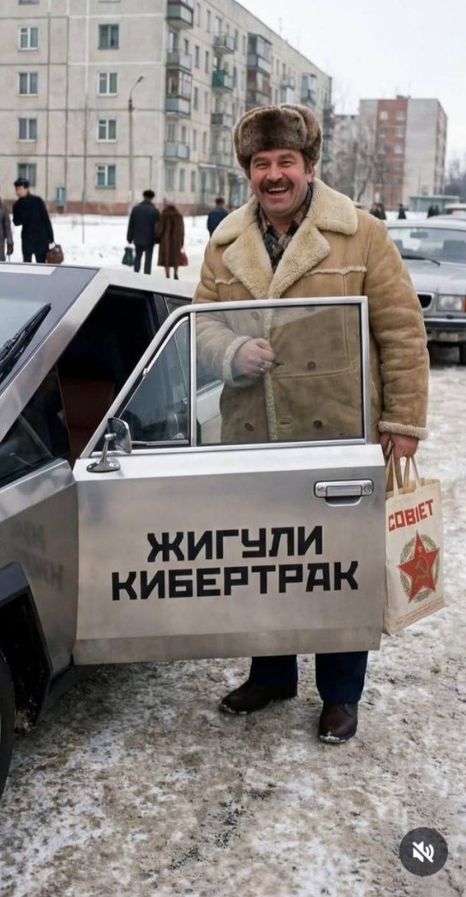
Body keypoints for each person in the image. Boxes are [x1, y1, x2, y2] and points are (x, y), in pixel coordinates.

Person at [194, 103, 429, 744]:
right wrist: (230, 352)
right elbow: (201, 325)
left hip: (339, 432)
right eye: (261, 163)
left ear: (308, 165)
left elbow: (402, 331)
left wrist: (403, 421)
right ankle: (271, 674)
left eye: (286, 161)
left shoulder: (360, 233)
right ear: (248, 170)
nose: (274, 174)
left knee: (338, 564)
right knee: (266, 558)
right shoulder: (224, 244)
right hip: (255, 434)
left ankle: (340, 694)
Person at [12, 177, 54, 263]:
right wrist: (22, 213)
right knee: (27, 264)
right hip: (27, 238)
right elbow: (16, 222)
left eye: (20, 189)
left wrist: (50, 236)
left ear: (27, 188)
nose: (18, 191)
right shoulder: (17, 205)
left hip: (41, 238)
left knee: (41, 264)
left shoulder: (37, 201)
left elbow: (45, 219)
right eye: (16, 189)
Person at [126, 189, 160, 274]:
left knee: (138, 257)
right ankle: (146, 276)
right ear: (152, 198)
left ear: (144, 197)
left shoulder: (136, 209)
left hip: (138, 238)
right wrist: (157, 238)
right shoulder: (155, 211)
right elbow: (157, 227)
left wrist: (129, 237)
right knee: (148, 260)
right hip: (150, 239)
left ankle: (136, 273)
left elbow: (131, 224)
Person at [156, 201, 185, 279]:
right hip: (176, 240)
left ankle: (167, 274)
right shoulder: (179, 216)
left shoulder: (163, 216)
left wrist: (157, 238)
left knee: (166, 257)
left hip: (165, 240)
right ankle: (175, 273)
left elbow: (160, 228)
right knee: (176, 257)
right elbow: (182, 230)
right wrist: (182, 241)